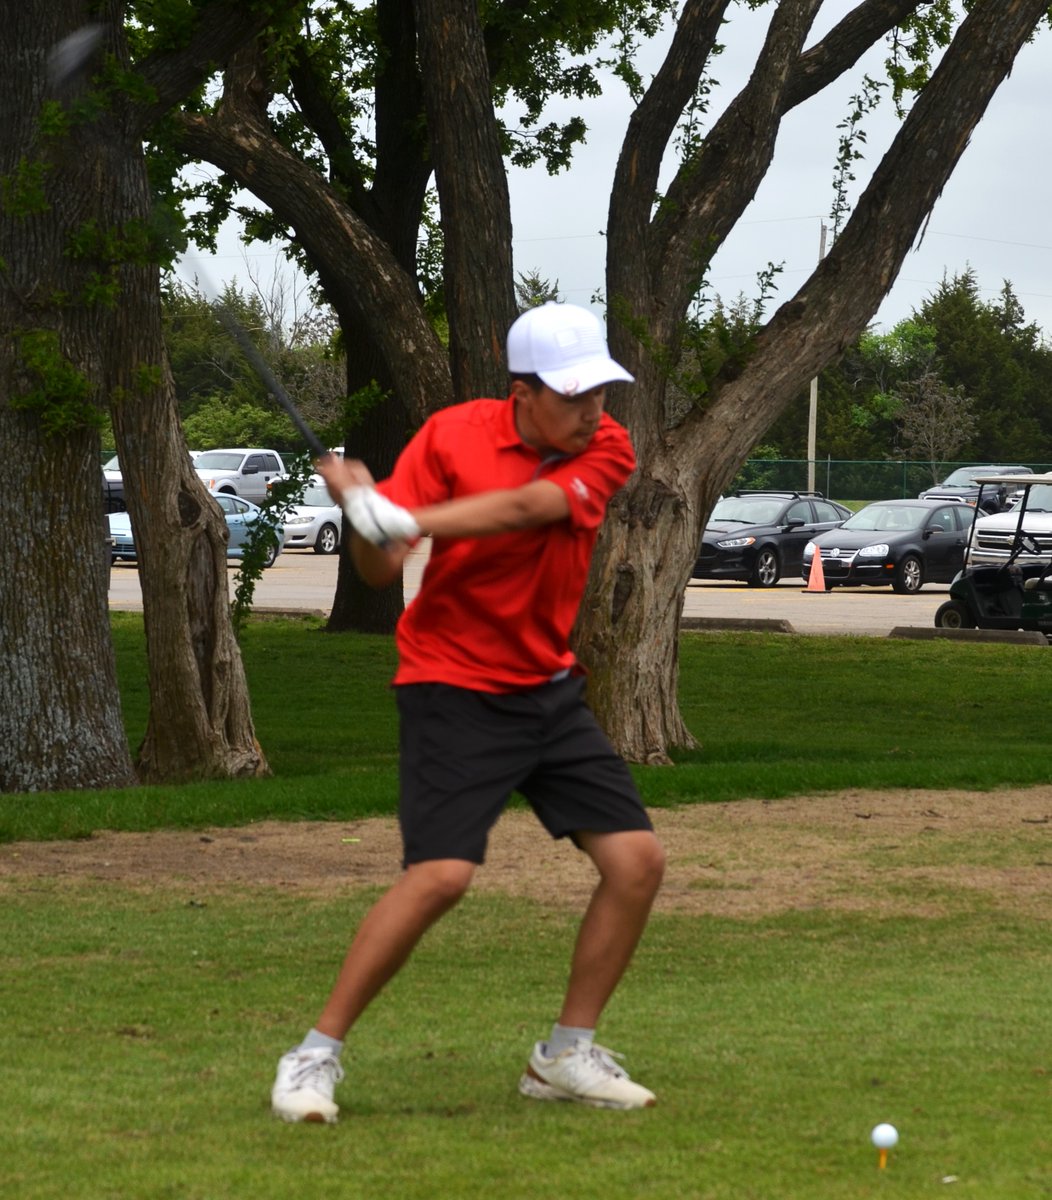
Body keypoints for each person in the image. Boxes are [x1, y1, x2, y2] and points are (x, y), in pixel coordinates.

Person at [271, 302, 666, 1123]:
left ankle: (564, 1054)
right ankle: (313, 1058)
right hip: (452, 684)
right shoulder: (451, 436)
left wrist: (405, 516)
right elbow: (380, 570)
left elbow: (530, 510)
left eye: (601, 389)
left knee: (636, 863)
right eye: (573, 393)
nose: (594, 408)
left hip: (547, 689)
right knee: (442, 876)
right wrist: (362, 506)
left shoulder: (606, 448)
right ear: (522, 390)